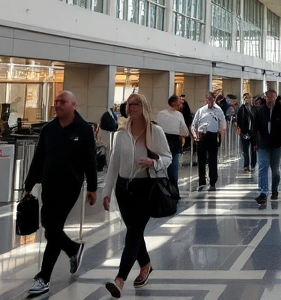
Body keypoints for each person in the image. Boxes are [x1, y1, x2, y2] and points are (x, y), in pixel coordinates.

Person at [23, 90, 98, 296]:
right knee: (49, 227)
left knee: (53, 226)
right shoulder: (49, 129)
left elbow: (90, 159)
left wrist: (92, 187)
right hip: (48, 185)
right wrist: (28, 184)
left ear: (73, 104)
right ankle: (73, 249)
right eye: (56, 101)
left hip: (70, 186)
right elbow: (39, 157)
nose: (57, 105)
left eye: (62, 102)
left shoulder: (83, 129)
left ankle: (44, 277)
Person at [102, 93, 171, 298]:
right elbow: (113, 164)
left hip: (145, 188)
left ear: (144, 107)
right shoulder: (122, 133)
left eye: (135, 104)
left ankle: (120, 279)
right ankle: (146, 264)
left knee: (133, 233)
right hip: (123, 189)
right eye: (129, 105)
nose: (131, 108)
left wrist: (154, 162)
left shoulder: (155, 131)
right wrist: (106, 190)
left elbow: (167, 157)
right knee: (135, 232)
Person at [254, 89, 281, 204]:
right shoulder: (259, 111)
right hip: (263, 144)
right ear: (266, 98)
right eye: (269, 97)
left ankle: (275, 189)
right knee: (263, 166)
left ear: (276, 98)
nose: (271, 100)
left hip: (276, 145)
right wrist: (255, 143)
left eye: (273, 97)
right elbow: (255, 129)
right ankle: (264, 191)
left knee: (275, 169)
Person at [192, 92, 226, 190]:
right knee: (201, 160)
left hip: (212, 136)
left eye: (211, 98)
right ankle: (202, 181)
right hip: (202, 136)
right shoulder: (201, 110)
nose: (209, 100)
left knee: (212, 160)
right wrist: (195, 136)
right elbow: (194, 124)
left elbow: (223, 125)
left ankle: (212, 182)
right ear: (205, 99)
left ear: (214, 99)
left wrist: (221, 138)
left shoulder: (219, 110)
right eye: (208, 99)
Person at [156, 95, 189, 191]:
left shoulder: (161, 114)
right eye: (179, 100)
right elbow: (185, 132)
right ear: (174, 103)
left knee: (161, 170)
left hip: (162, 144)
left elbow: (156, 127)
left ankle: (162, 191)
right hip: (174, 144)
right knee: (173, 171)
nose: (182, 102)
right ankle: (174, 192)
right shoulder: (178, 115)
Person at [235, 93, 256, 172]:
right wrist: (239, 129)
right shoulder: (241, 109)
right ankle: (246, 165)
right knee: (245, 149)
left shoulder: (254, 109)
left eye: (248, 98)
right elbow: (239, 120)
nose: (247, 99)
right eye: (245, 98)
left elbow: (256, 120)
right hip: (244, 131)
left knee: (253, 149)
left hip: (253, 132)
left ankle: (253, 164)